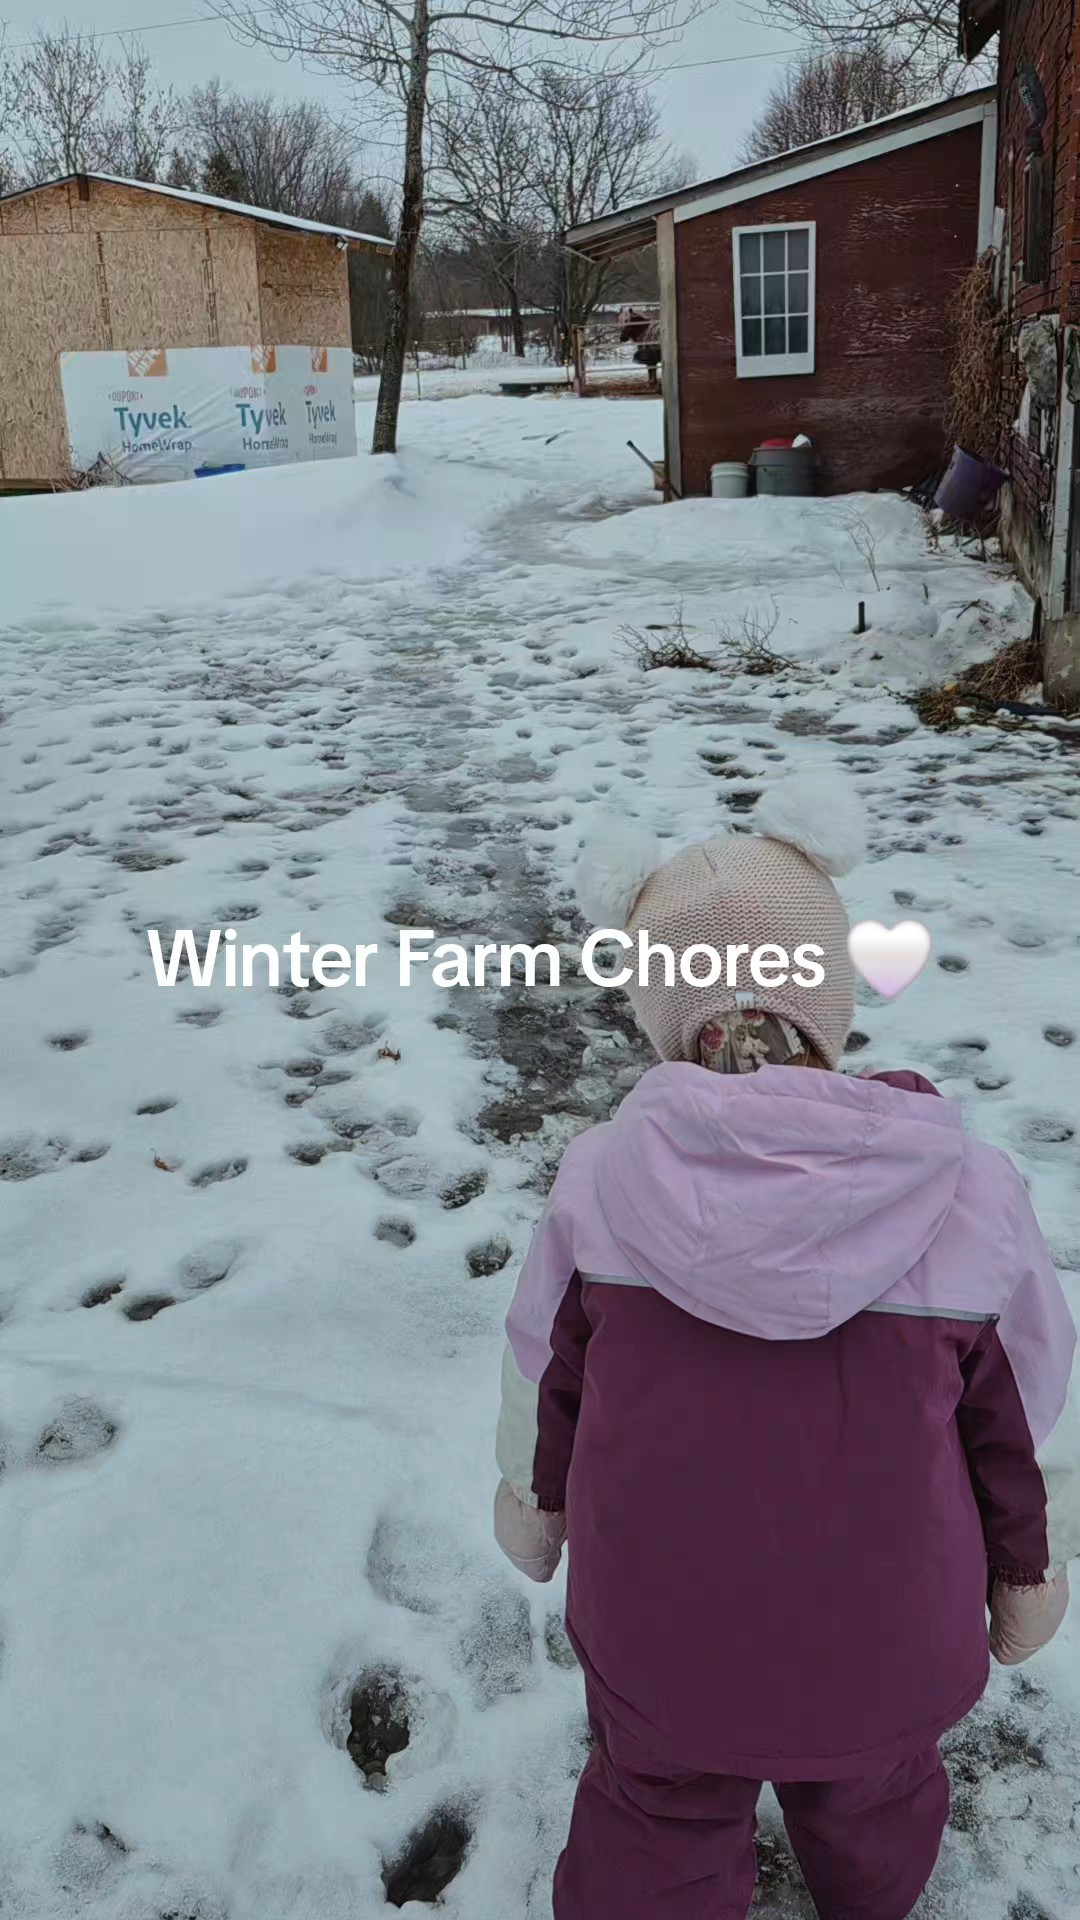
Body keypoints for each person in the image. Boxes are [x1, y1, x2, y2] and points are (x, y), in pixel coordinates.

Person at [493, 774, 1076, 1920]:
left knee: (655, 1808)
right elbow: (1032, 1409)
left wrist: (535, 1505)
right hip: (891, 1651)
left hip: (662, 1647)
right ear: (828, 996)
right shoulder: (967, 1192)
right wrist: (1028, 1569)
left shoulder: (600, 1188)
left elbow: (542, 1378)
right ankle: (868, 1891)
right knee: (878, 1793)